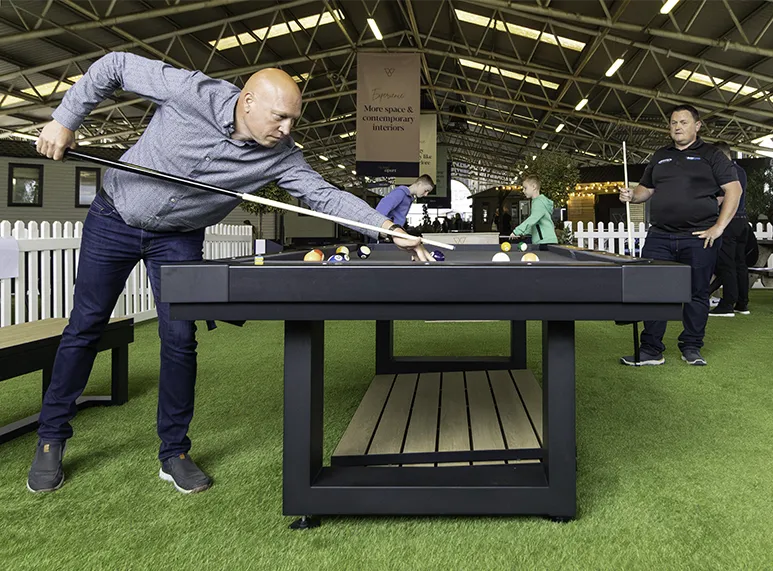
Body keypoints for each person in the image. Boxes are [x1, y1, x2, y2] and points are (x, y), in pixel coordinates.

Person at [28, 52, 433, 495]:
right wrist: (65, 119)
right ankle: (51, 439)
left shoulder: (281, 157)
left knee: (180, 340)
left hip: (177, 239)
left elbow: (323, 195)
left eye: (293, 121)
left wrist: (389, 228)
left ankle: (174, 452)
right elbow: (116, 65)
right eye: (280, 117)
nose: (286, 130)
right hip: (114, 217)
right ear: (248, 101)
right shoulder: (191, 91)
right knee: (85, 327)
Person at [618, 104, 742, 367]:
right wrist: (632, 195)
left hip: (698, 236)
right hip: (660, 235)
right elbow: (646, 190)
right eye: (673, 122)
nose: (677, 127)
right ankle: (651, 349)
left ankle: (692, 346)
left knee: (697, 292)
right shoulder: (660, 155)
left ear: (697, 126)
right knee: (652, 290)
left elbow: (734, 190)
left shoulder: (712, 155)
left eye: (684, 122)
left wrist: (718, 228)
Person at [708, 142, 750, 317]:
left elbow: (723, 197)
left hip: (729, 221)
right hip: (742, 221)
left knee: (727, 264)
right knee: (740, 263)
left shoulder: (724, 171)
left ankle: (727, 304)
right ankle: (742, 303)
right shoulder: (741, 170)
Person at [509, 175, 558, 245]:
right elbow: (535, 224)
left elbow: (532, 219)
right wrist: (523, 232)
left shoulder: (538, 202)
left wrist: (517, 231)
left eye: (525, 188)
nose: (523, 191)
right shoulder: (537, 201)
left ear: (534, 187)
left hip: (545, 241)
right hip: (544, 241)